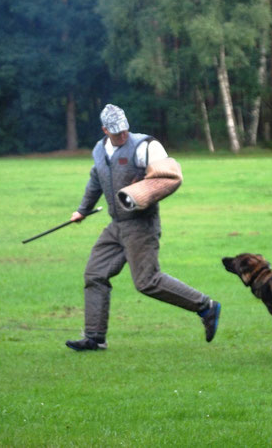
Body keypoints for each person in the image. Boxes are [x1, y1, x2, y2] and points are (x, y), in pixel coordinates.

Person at [65, 104, 221, 351]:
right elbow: (96, 179)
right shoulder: (99, 150)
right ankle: (95, 337)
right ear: (105, 130)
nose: (122, 135)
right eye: (116, 132)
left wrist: (145, 188)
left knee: (147, 281)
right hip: (116, 225)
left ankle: (205, 306)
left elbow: (168, 177)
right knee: (95, 274)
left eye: (124, 130)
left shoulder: (146, 146)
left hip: (141, 225)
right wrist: (83, 210)